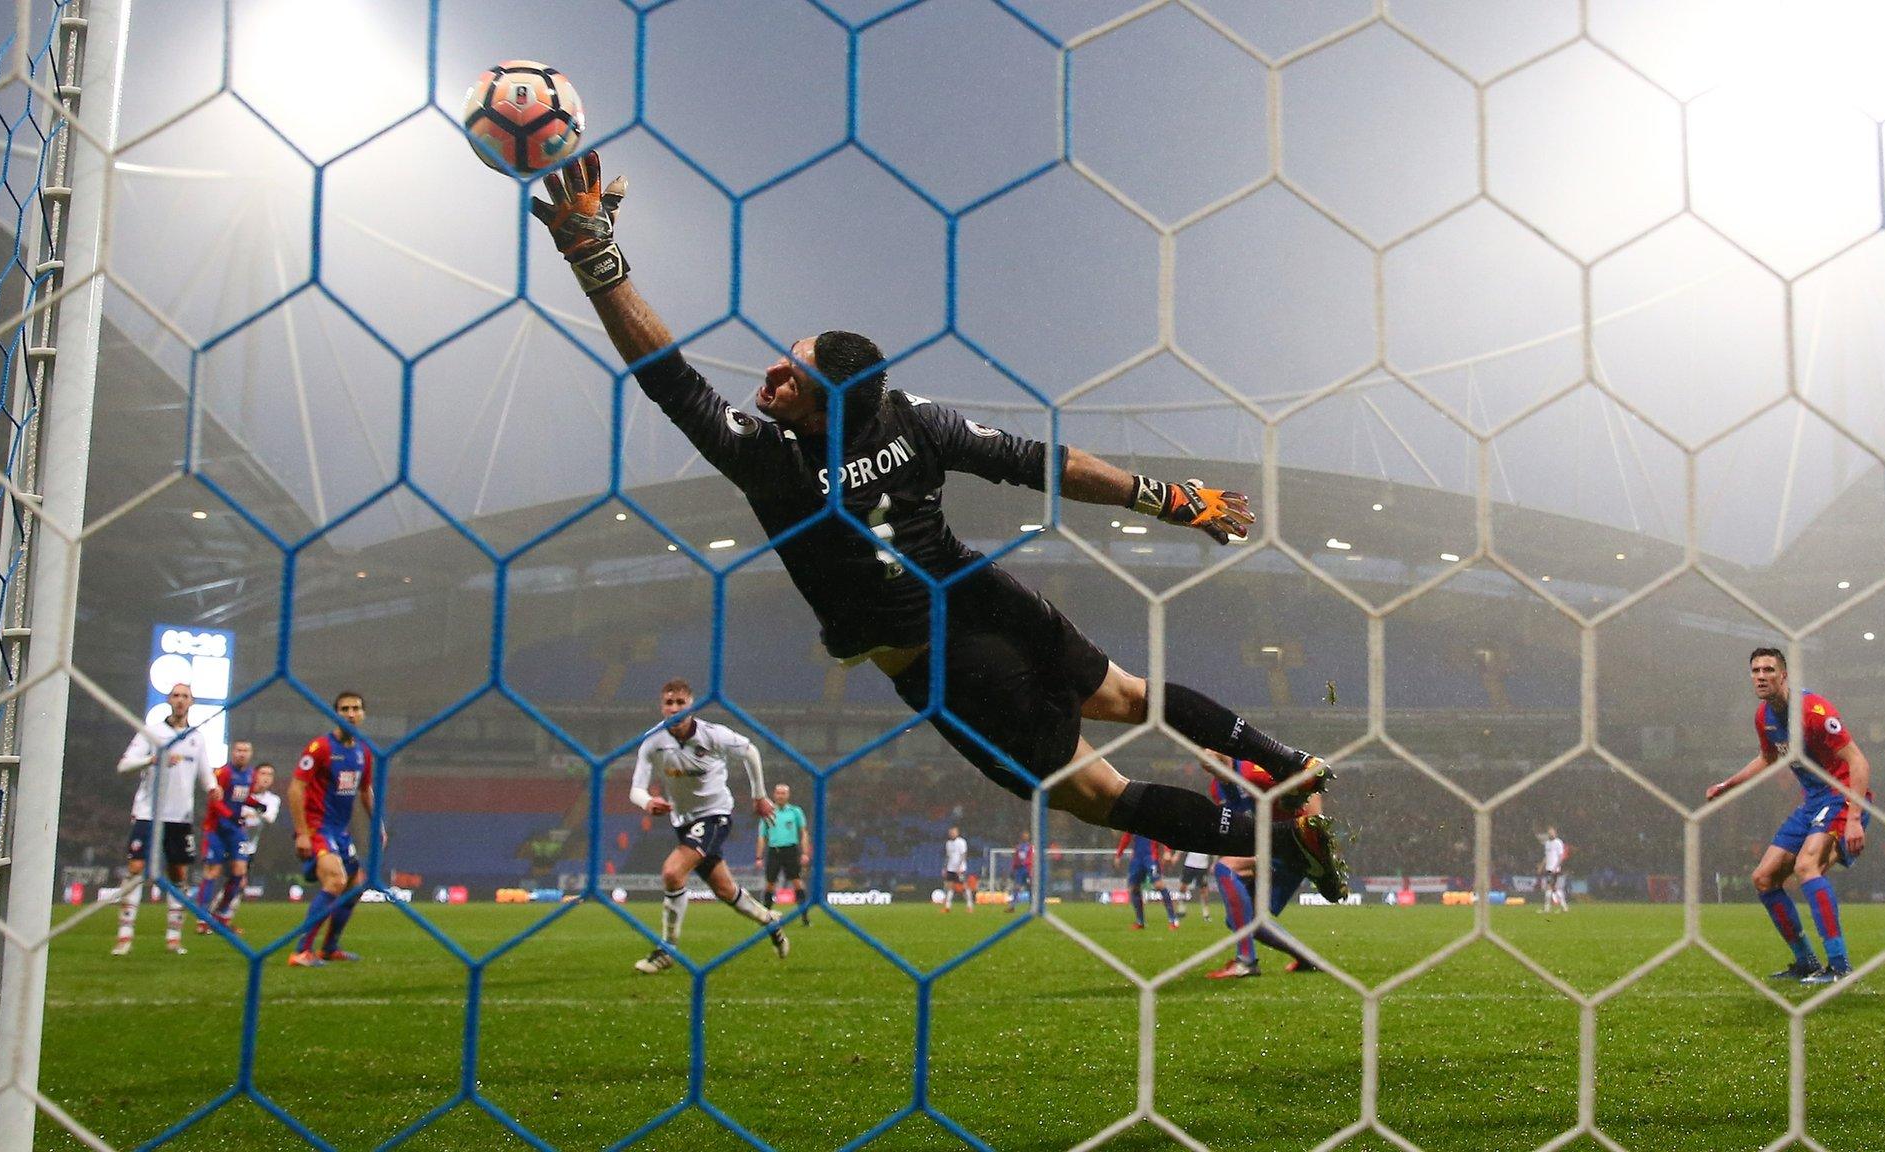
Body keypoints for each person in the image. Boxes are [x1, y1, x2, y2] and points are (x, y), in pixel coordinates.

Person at [529, 154, 1333, 873]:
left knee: (1092, 792)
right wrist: (1171, 500)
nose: (771, 373)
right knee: (1128, 694)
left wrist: (596, 260)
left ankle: (1275, 841)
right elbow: (1046, 466)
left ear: (823, 408)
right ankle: (1286, 761)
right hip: (989, 595)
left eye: (791, 375)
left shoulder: (769, 462)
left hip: (943, 662)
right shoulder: (911, 419)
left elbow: (668, 377)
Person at [1706, 647, 1872, 985]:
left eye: (1768, 669)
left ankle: (1839, 966)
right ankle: (1806, 961)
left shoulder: (1813, 710)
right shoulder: (1763, 716)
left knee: (1806, 867)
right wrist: (1729, 784)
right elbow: (1769, 758)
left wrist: (1854, 817)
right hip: (1812, 801)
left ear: (1784, 675)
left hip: (1841, 795)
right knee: (1763, 878)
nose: (1761, 676)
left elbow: (1858, 762)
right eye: (1755, 671)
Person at [629, 679, 788, 973]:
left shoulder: (713, 735)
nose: (675, 708)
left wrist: (759, 796)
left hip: (716, 815)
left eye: (681, 703)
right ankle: (770, 921)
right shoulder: (653, 741)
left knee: (672, 872)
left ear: (691, 705)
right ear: (661, 706)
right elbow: (635, 790)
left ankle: (667, 950)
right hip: (683, 822)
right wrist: (647, 803)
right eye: (669, 702)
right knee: (726, 891)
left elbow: (750, 751)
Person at [1203, 754, 1346, 979]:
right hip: (1271, 846)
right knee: (1246, 920)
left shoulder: (1253, 771)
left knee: (1225, 869)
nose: (1209, 762)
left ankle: (1246, 962)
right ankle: (1309, 960)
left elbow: (1311, 782)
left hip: (1293, 843)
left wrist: (1316, 834)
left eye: (1214, 756)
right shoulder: (1218, 788)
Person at [112, 682, 221, 956]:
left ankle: (173, 938)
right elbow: (124, 765)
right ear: (168, 701)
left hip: (180, 817)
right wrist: (152, 759)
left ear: (192, 702)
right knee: (136, 868)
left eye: (185, 696)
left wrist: (212, 788)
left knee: (179, 875)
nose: (180, 700)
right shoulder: (153, 733)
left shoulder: (197, 737)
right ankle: (124, 936)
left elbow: (205, 772)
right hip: (149, 812)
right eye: (176, 696)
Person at [288, 692, 379, 968]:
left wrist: (379, 824)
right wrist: (302, 832)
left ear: (363, 714)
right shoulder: (320, 748)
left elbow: (365, 791)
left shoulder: (363, 752)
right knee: (336, 881)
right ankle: (301, 952)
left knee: (355, 885)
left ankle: (329, 948)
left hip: (340, 830)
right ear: (335, 714)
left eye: (356, 708)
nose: (350, 714)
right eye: (344, 709)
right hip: (318, 827)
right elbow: (295, 787)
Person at [195, 739, 257, 935]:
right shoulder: (223, 773)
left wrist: (256, 803)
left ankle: (221, 914)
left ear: (250, 753)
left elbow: (241, 796)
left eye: (246, 750)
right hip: (216, 829)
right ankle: (202, 918)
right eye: (239, 750)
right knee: (212, 872)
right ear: (233, 752)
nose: (242, 753)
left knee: (239, 872)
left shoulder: (250, 774)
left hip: (236, 830)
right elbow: (215, 801)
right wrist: (231, 815)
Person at [221, 763, 280, 925]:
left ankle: (219, 918)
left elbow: (270, 817)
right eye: (263, 773)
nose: (266, 777)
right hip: (229, 840)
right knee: (236, 881)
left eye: (270, 774)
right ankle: (219, 918)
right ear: (254, 775)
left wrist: (251, 810)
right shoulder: (241, 792)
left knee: (236, 883)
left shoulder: (273, 799)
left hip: (248, 848)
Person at [756, 782, 811, 927]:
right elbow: (762, 836)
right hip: (774, 851)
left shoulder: (795, 811)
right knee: (769, 884)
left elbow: (803, 832)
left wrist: (805, 853)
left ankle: (805, 917)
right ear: (774, 794)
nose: (780, 796)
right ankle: (765, 917)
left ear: (788, 795)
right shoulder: (767, 812)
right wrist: (759, 857)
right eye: (778, 793)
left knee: (797, 882)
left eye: (783, 793)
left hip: (791, 850)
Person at [1114, 833, 1180, 930]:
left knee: (1159, 885)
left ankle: (1173, 920)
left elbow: (1164, 833)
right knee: (1133, 888)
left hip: (1150, 857)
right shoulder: (1132, 820)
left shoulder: (1153, 820)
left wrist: (1167, 850)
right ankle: (1140, 921)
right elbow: (1126, 837)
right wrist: (1118, 854)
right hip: (1137, 858)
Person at [940, 827, 973, 913]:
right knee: (949, 887)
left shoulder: (961, 842)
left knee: (964, 887)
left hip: (960, 869)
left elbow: (963, 855)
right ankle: (947, 907)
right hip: (951, 868)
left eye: (953, 832)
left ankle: (969, 906)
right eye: (951, 832)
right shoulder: (948, 843)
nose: (952, 834)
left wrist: (960, 867)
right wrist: (945, 867)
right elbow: (948, 856)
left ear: (957, 833)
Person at [1537, 828, 1568, 915]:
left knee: (1549, 887)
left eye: (1552, 833)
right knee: (1555, 888)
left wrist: (1556, 867)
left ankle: (1547, 908)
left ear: (1555, 833)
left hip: (1554, 869)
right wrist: (1541, 866)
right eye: (1549, 833)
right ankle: (1564, 907)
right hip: (1548, 868)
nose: (1551, 834)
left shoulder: (1558, 842)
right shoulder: (1547, 843)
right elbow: (1546, 856)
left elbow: (1561, 856)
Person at [1179, 849, 1213, 922]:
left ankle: (1206, 913)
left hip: (1202, 866)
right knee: (1183, 887)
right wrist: (1176, 855)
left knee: (1203, 890)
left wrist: (1214, 863)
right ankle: (1182, 909)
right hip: (1189, 864)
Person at [1006, 831, 1033, 914]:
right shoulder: (1019, 847)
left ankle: (1032, 907)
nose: (1025, 837)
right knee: (1016, 887)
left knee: (1030, 888)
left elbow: (1031, 859)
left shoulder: (1030, 847)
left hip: (1027, 869)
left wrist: (1030, 869)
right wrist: (1013, 868)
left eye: (1026, 836)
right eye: (1024, 836)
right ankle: (1012, 907)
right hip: (1019, 870)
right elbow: (1015, 858)